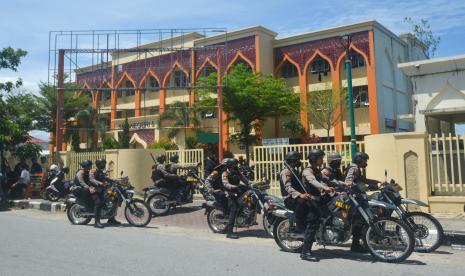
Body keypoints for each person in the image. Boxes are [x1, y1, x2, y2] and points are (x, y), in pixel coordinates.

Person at [299, 149, 334, 262]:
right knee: (313, 223)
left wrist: (341, 184)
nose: (322, 160)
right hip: (310, 200)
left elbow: (326, 179)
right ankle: (305, 252)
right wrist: (324, 188)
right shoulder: (307, 171)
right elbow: (313, 181)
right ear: (314, 158)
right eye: (320, 158)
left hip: (318, 199)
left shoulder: (316, 170)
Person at [344, 152, 379, 253]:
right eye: (365, 160)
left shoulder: (357, 168)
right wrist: (366, 187)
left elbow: (363, 180)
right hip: (352, 198)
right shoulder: (353, 168)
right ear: (359, 160)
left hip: (357, 197)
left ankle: (359, 242)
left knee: (361, 221)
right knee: (357, 221)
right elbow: (348, 182)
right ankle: (355, 245)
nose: (366, 162)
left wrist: (377, 182)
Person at [221, 158, 249, 239]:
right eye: (234, 165)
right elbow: (226, 184)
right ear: (229, 166)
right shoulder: (225, 173)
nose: (235, 167)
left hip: (237, 191)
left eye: (236, 165)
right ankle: (229, 233)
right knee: (234, 208)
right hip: (229, 193)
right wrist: (233, 187)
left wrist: (251, 184)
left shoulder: (237, 172)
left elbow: (245, 179)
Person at [73, 160, 105, 228]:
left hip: (86, 188)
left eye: (90, 165)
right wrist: (89, 187)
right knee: (98, 202)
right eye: (89, 165)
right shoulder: (80, 172)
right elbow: (81, 182)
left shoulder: (88, 171)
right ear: (85, 166)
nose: (90, 167)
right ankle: (96, 222)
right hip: (79, 189)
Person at [90, 159, 120, 225]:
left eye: (104, 163)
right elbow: (91, 179)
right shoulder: (93, 171)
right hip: (94, 190)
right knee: (98, 202)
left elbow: (106, 178)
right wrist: (100, 183)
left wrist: (116, 180)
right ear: (98, 164)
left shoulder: (101, 172)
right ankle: (96, 222)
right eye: (102, 164)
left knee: (115, 198)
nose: (103, 165)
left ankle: (111, 218)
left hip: (103, 190)